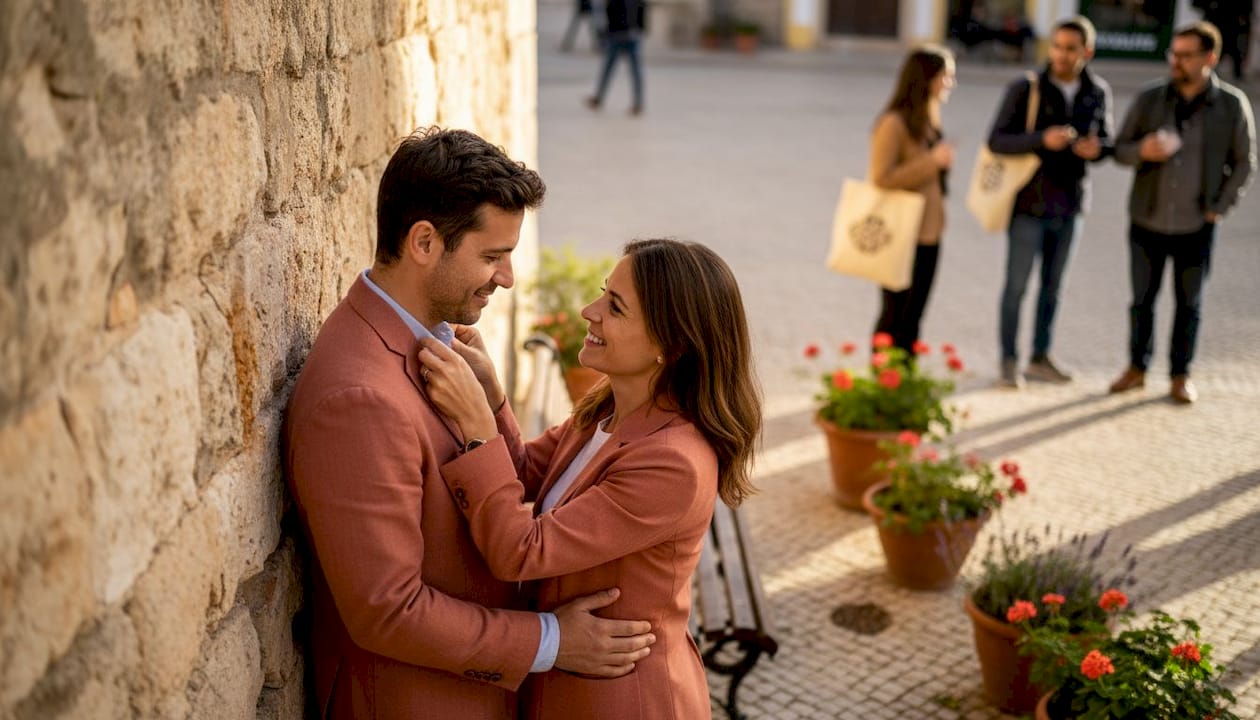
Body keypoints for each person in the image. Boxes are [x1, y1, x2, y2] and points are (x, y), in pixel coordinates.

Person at [283, 127, 656, 719]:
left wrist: (493, 403)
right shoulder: (358, 399)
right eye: (491, 256)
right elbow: (387, 610)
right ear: (424, 242)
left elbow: (511, 481)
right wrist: (552, 642)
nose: (507, 277)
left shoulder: (436, 344)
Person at [416, 238, 762, 719]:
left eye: (615, 307)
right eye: (604, 293)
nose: (588, 311)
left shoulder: (673, 462)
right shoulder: (610, 407)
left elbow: (519, 551)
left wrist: (478, 429)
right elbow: (525, 473)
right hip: (570, 681)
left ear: (672, 347)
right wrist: (492, 397)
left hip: (622, 699)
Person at [1108, 22, 1255, 404]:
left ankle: (1180, 375)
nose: (1176, 61)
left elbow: (1244, 162)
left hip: (1197, 224)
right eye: (1173, 53)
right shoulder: (1150, 98)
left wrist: (1219, 208)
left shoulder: (1231, 104)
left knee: (1189, 305)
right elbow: (1119, 149)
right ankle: (1136, 368)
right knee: (1142, 301)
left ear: (1210, 58)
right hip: (1147, 219)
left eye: (1186, 55)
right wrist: (1142, 150)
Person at [988, 16, 1112, 389]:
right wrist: (1042, 139)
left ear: (1087, 52)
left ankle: (1040, 358)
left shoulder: (1097, 91)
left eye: (1070, 49)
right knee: (1016, 287)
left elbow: (1107, 141)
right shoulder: (1026, 87)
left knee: (1053, 289)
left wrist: (1096, 149)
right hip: (1029, 205)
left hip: (1071, 206)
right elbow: (996, 140)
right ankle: (1009, 360)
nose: (1061, 54)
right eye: (1057, 46)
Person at [868, 45, 956, 353]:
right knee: (895, 314)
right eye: (946, 76)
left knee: (915, 316)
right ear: (926, 78)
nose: (951, 83)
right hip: (901, 232)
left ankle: (905, 378)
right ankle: (883, 379)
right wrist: (933, 161)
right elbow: (881, 177)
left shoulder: (929, 118)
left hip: (929, 232)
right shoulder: (893, 122)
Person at [586, 0, 645, 115]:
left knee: (634, 71)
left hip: (627, 34)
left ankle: (638, 103)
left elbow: (641, 9)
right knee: (609, 68)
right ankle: (599, 98)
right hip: (619, 34)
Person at [1196, 0, 1254, 81]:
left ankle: (1237, 75)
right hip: (1216, 22)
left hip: (1235, 25)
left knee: (1236, 53)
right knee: (1214, 50)